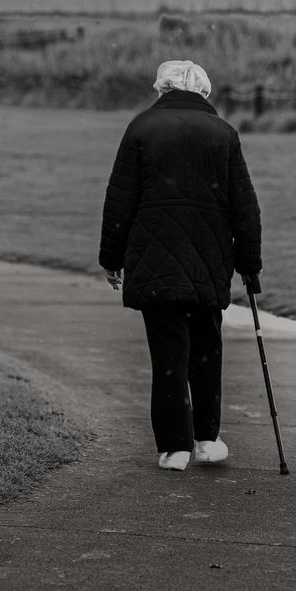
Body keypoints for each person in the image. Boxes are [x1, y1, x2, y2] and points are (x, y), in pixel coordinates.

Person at [99, 60, 263, 471]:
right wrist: (249, 264)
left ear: (162, 89)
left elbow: (120, 199)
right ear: (204, 92)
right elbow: (246, 207)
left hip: (155, 263)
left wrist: (111, 258)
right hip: (209, 262)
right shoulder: (224, 134)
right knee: (207, 350)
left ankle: (175, 447)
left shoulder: (142, 128)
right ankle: (207, 438)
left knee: (169, 355)